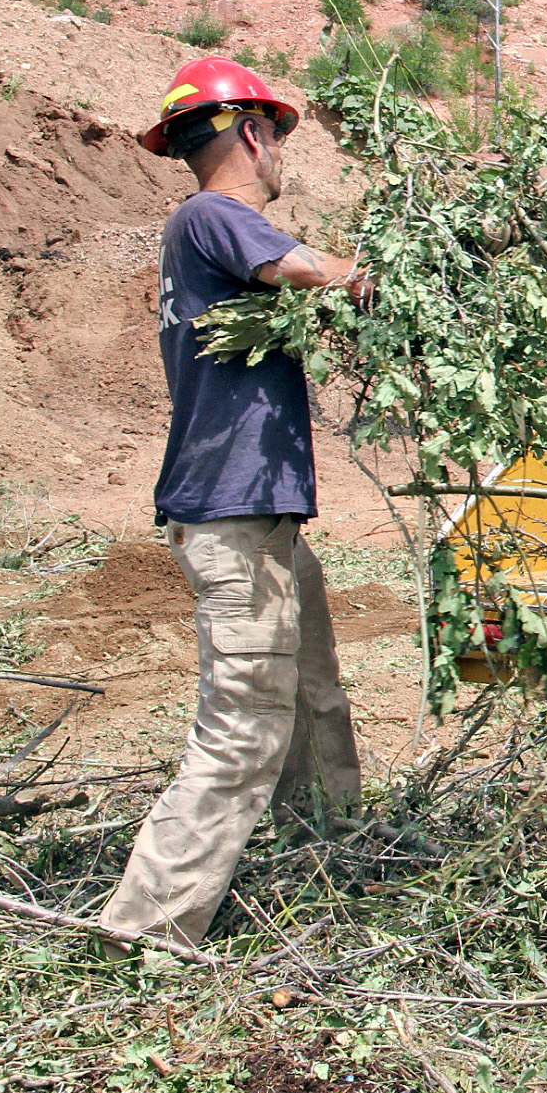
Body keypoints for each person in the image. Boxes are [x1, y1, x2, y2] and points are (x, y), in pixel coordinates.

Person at [99, 58, 369, 953]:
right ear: (251, 131)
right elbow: (314, 271)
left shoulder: (205, 239)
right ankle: (147, 932)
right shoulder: (214, 216)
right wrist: (374, 275)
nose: (285, 151)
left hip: (260, 516)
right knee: (245, 728)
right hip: (231, 515)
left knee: (313, 693)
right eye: (281, 133)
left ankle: (326, 855)